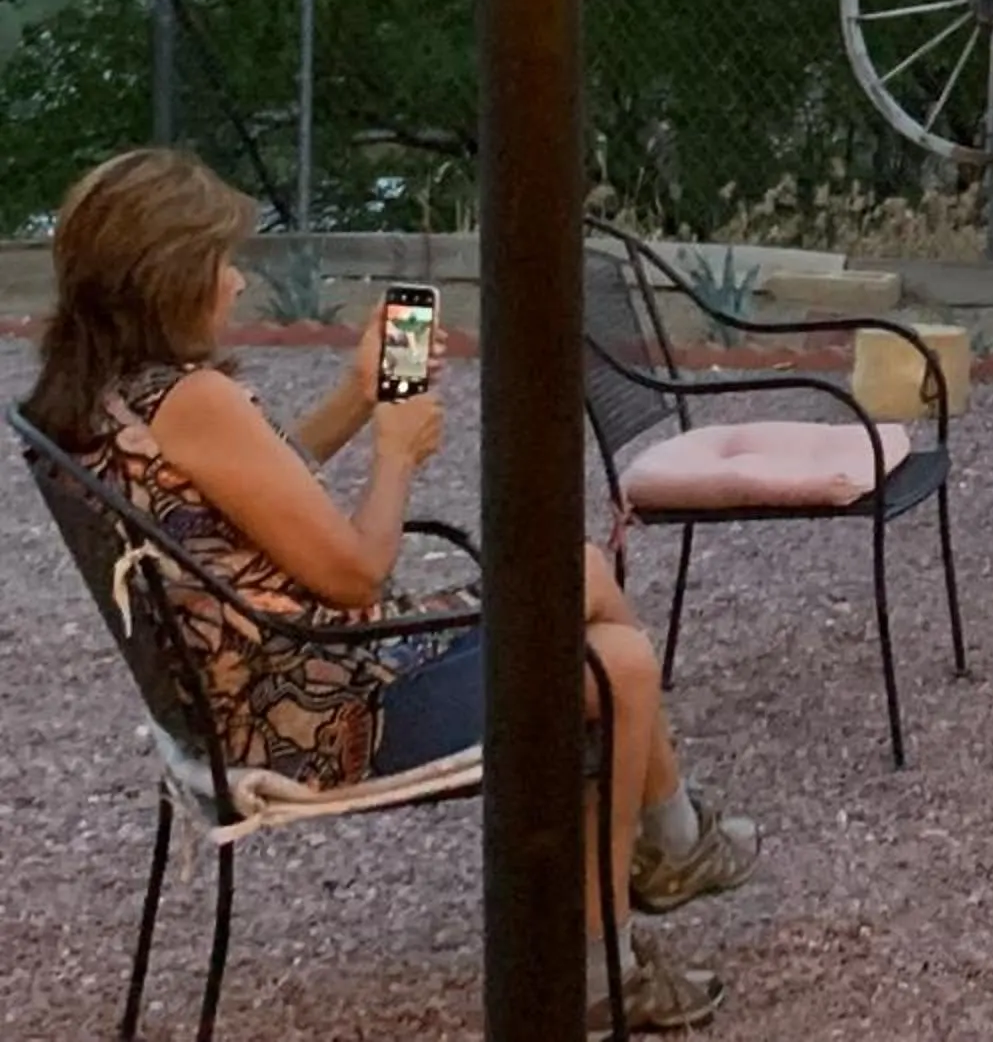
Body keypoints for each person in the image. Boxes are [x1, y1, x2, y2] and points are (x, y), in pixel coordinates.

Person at [24, 150, 755, 1033]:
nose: (235, 288)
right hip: (314, 709)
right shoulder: (194, 398)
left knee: (580, 572)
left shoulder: (102, 393)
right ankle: (603, 968)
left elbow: (250, 489)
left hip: (253, 686)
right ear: (166, 279)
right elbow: (354, 571)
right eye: (220, 266)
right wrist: (397, 452)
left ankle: (673, 842)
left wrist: (357, 397)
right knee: (618, 667)